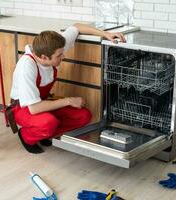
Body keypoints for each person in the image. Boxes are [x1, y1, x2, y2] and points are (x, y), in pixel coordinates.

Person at [9, 23, 126, 154]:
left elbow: (76, 27)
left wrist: (105, 34)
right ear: (44, 57)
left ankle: (46, 134)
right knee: (48, 123)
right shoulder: (27, 66)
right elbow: (34, 108)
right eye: (59, 56)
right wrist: (69, 101)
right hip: (22, 108)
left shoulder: (53, 46)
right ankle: (26, 136)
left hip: (44, 102)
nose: (63, 56)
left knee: (83, 116)